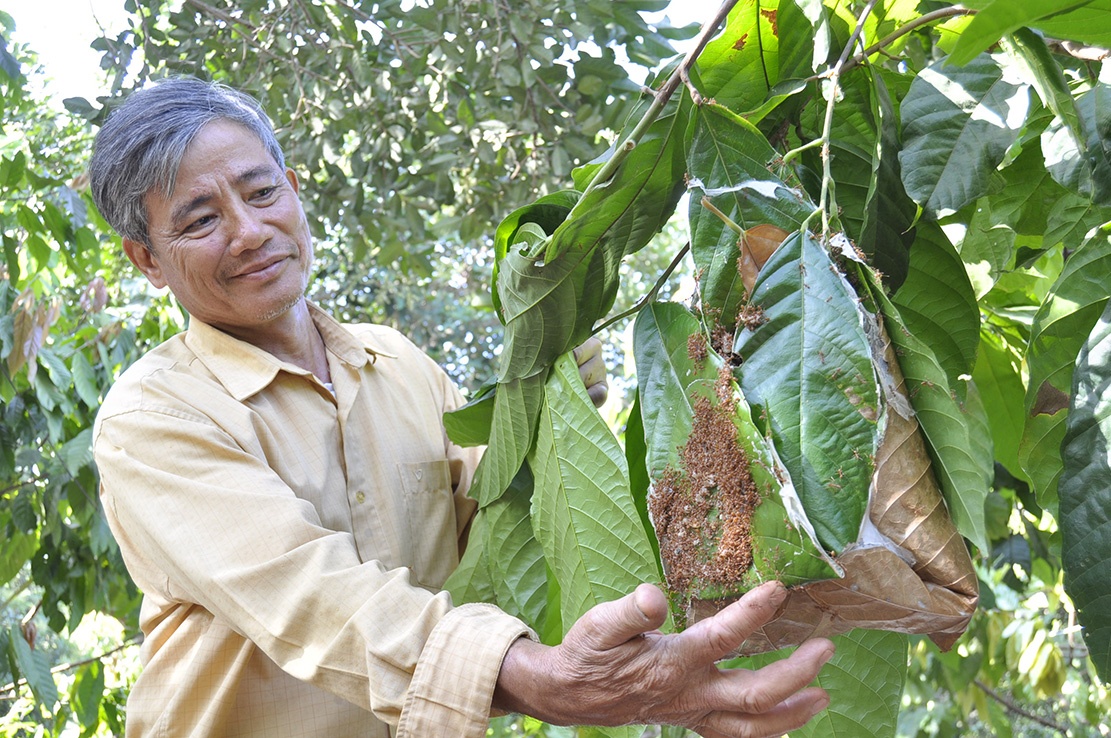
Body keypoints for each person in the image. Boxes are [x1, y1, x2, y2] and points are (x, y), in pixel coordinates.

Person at [90, 77, 835, 738]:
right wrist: (543, 681)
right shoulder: (156, 418)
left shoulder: (396, 363)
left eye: (260, 193)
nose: (250, 232)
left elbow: (500, 509)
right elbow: (311, 600)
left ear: (290, 186)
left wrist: (554, 396)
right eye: (199, 220)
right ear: (147, 259)